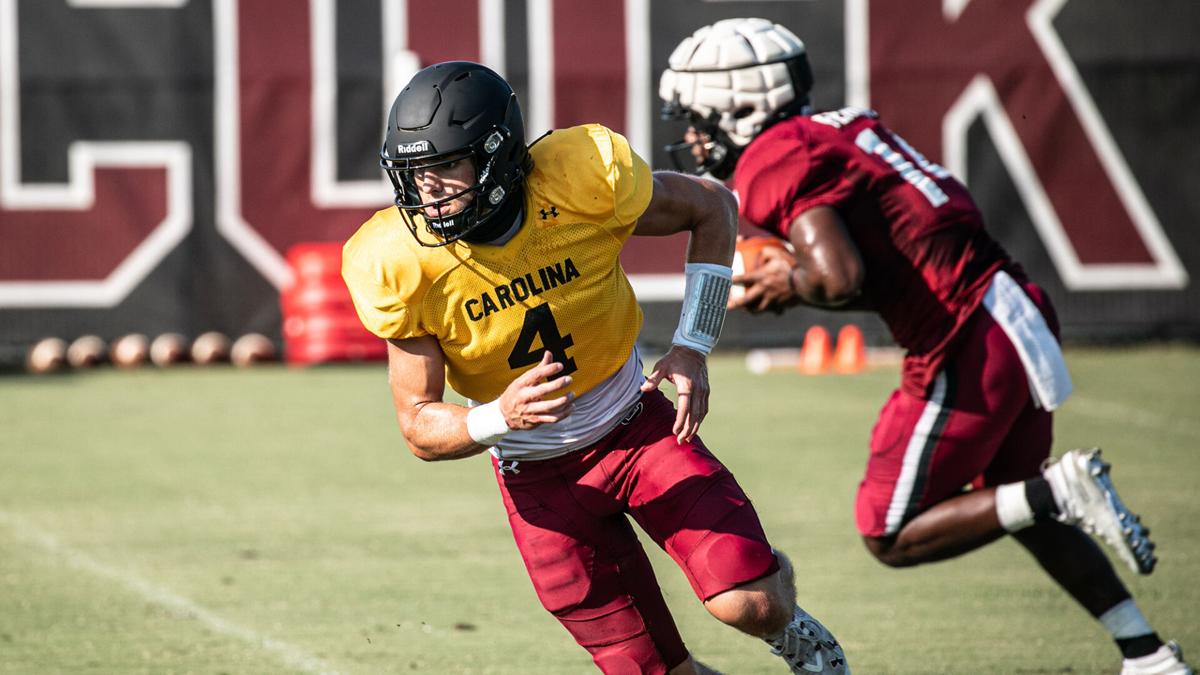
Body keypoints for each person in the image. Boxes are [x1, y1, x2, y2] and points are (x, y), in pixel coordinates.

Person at [658, 17, 1191, 675]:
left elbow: (838, 274)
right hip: (1012, 303)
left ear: (737, 106)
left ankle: (1059, 492)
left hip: (965, 334)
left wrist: (788, 280)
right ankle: (1148, 653)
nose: (691, 135)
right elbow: (890, 258)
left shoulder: (774, 157)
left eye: (697, 117)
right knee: (1009, 501)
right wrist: (801, 280)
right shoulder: (842, 125)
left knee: (890, 527)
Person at [341, 61, 848, 675]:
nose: (429, 189)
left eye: (447, 166)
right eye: (416, 172)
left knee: (751, 602)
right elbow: (418, 423)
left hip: (634, 427)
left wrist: (694, 342)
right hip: (538, 481)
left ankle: (788, 622)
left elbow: (712, 205)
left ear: (499, 158)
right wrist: (497, 416)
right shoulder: (397, 259)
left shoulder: (576, 183)